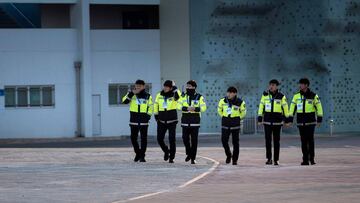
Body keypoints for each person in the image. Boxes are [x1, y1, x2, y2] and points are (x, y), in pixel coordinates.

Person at [289, 78, 323, 165]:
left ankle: (311, 159)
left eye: (302, 84)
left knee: (310, 141)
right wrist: (290, 119)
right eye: (299, 84)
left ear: (306, 85)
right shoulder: (296, 96)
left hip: (311, 122)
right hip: (301, 122)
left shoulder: (313, 96)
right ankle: (305, 160)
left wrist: (319, 119)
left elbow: (319, 108)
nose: (300, 85)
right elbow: (292, 108)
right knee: (303, 141)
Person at [257, 79, 289, 165]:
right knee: (268, 141)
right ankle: (269, 158)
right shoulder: (265, 95)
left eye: (273, 85)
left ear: (277, 86)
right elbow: (261, 106)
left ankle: (276, 159)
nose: (271, 86)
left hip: (277, 122)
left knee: (276, 141)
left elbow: (285, 108)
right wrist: (260, 117)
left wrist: (287, 119)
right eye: (270, 84)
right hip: (267, 122)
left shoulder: (281, 96)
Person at [122, 79, 153, 162]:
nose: (138, 87)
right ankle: (137, 153)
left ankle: (142, 156)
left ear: (143, 86)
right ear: (135, 86)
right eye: (137, 85)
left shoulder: (148, 96)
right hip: (134, 119)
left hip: (144, 120)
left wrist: (148, 116)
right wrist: (132, 93)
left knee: (143, 139)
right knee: (133, 138)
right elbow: (124, 101)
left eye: (140, 86)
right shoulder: (131, 94)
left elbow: (151, 107)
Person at [178, 80, 207, 164]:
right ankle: (189, 153)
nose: (188, 87)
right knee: (185, 139)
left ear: (194, 87)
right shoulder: (183, 96)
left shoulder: (199, 97)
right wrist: (186, 108)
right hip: (185, 121)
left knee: (194, 141)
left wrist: (195, 109)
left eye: (189, 86)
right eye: (187, 86)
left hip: (195, 121)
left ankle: (193, 158)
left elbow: (204, 108)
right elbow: (178, 106)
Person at [217, 86, 246, 165]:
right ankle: (229, 155)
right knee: (224, 141)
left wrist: (237, 118)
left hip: (235, 125)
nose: (228, 94)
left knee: (235, 142)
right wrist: (224, 116)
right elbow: (219, 110)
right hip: (225, 123)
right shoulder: (222, 101)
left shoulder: (240, 102)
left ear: (235, 93)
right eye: (228, 92)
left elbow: (243, 112)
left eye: (230, 93)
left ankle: (235, 159)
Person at [154, 80, 181, 163]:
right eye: (164, 86)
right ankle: (166, 151)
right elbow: (156, 105)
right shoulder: (159, 95)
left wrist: (175, 89)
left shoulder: (174, 94)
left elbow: (178, 97)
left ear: (171, 88)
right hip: (161, 120)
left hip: (172, 120)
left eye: (167, 87)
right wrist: (156, 115)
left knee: (171, 139)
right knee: (159, 139)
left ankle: (171, 157)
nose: (165, 88)